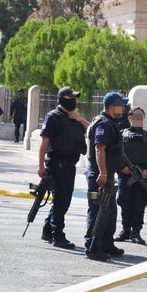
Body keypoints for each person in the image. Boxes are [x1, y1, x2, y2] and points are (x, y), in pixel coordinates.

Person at [39, 87, 89, 249]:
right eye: (70, 97)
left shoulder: (74, 119)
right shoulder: (53, 117)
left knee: (62, 202)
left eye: (74, 98)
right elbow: (44, 143)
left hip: (70, 166)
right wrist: (41, 166)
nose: (73, 101)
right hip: (57, 165)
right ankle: (57, 236)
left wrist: (79, 118)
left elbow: (92, 130)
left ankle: (48, 230)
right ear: (62, 99)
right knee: (61, 202)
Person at [84, 92, 127, 261]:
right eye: (121, 105)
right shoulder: (104, 123)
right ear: (112, 106)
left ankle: (107, 244)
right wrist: (103, 172)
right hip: (100, 173)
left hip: (108, 173)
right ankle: (93, 247)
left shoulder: (110, 123)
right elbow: (99, 148)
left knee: (110, 212)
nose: (123, 108)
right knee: (98, 211)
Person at [114, 107, 147, 245]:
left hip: (142, 175)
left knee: (139, 203)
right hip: (126, 174)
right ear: (129, 118)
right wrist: (123, 168)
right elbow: (116, 153)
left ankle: (136, 232)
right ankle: (125, 230)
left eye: (141, 117)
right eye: (135, 117)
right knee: (124, 201)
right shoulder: (122, 134)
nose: (138, 119)